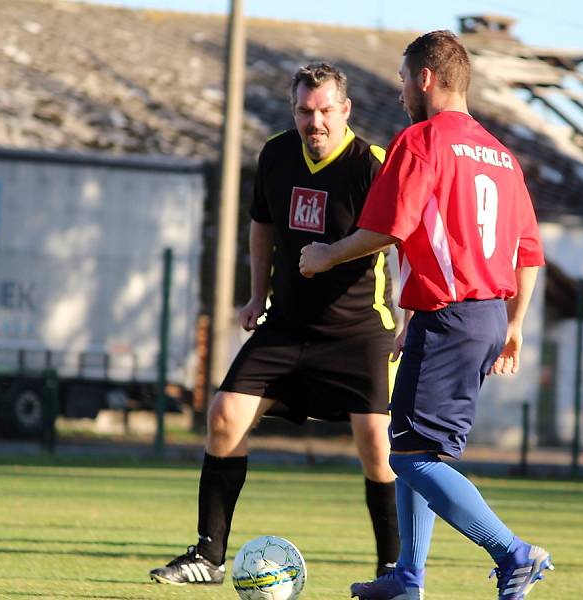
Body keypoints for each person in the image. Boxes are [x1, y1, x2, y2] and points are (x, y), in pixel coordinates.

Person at [299, 32, 552, 600]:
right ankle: (407, 578)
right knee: (419, 447)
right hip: (481, 316)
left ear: (426, 78)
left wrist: (323, 256)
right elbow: (529, 252)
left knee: (408, 458)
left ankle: (513, 553)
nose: (399, 93)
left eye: (402, 79)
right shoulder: (502, 156)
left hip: (451, 316)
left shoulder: (422, 141)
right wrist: (513, 327)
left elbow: (390, 228)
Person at [149, 62, 400, 586]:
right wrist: (255, 294)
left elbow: (402, 235)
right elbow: (261, 223)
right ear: (294, 110)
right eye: (305, 111)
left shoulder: (371, 163)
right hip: (286, 325)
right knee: (223, 416)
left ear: (345, 109)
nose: (316, 122)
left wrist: (409, 315)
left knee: (378, 446)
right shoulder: (275, 154)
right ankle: (209, 556)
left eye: (326, 110)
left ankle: (394, 570)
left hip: (359, 331)